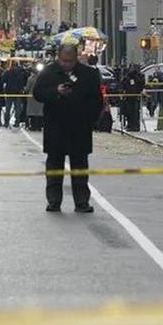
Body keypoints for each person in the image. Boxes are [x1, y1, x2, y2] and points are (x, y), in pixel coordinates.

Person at [32, 43, 103, 213]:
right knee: (54, 168)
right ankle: (54, 201)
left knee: (80, 168)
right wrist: (56, 92)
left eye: (70, 61)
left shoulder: (88, 74)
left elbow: (96, 100)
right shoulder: (49, 72)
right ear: (58, 57)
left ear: (76, 58)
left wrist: (90, 120)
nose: (67, 64)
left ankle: (82, 202)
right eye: (64, 61)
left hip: (79, 128)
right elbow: (38, 93)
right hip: (56, 126)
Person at [121, 63, 145, 132]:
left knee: (135, 112)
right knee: (129, 112)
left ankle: (136, 126)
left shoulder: (139, 76)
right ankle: (130, 125)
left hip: (136, 96)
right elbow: (123, 84)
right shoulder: (127, 76)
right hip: (128, 97)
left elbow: (141, 83)